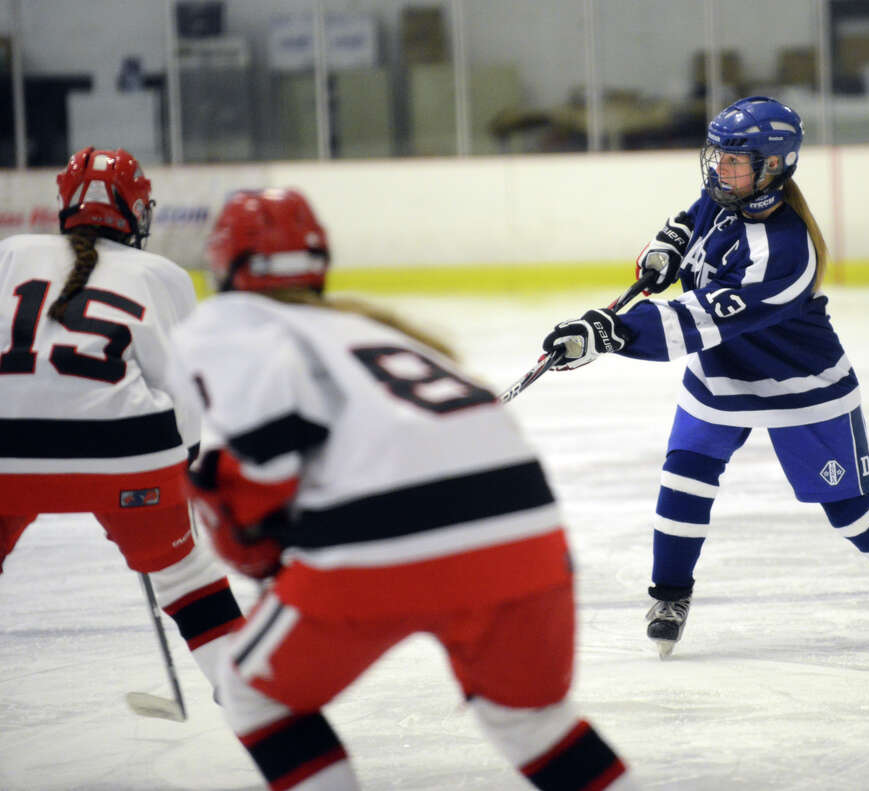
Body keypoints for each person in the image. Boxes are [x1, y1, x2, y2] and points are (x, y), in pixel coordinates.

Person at [171, 188, 637, 791]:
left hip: (380, 545)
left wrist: (247, 521)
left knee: (252, 695)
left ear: (225, 262)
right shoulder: (371, 328)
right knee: (533, 725)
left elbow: (268, 457)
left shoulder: (230, 321)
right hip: (528, 535)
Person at [541, 96, 869, 658]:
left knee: (850, 507)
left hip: (801, 386)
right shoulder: (724, 197)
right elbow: (689, 219)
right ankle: (670, 596)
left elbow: (701, 320)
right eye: (716, 157)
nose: (719, 169)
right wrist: (667, 247)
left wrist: (611, 332)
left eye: (735, 161)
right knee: (684, 480)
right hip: (723, 377)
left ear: (774, 166)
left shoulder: (786, 252)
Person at [0, 147, 245, 695]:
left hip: (6, 447)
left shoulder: (10, 252)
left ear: (66, 204)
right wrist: (179, 468)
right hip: (127, 450)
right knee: (186, 578)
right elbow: (183, 392)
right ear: (137, 209)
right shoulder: (163, 275)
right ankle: (267, 714)